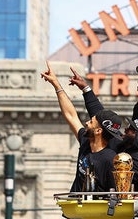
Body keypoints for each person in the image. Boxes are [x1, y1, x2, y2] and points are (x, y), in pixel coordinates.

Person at [40, 61, 124, 193]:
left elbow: (117, 194)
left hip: (94, 212)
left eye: (91, 121)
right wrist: (56, 84)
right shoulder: (86, 142)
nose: (86, 123)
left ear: (98, 131)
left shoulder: (110, 159)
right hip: (77, 211)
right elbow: (71, 115)